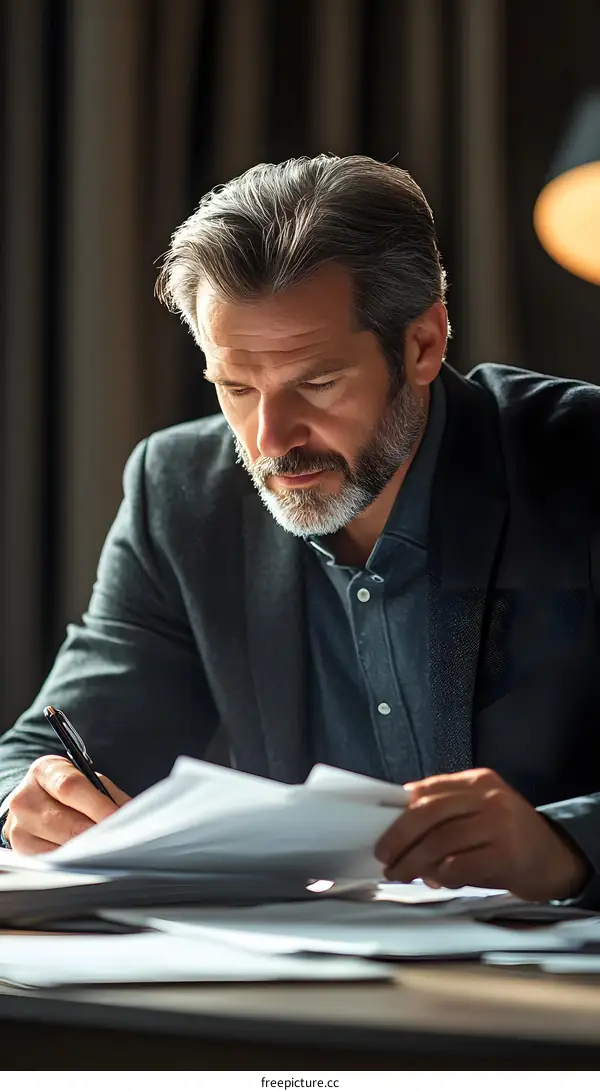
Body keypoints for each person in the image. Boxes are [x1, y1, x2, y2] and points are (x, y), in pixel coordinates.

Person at [1, 154, 599, 905]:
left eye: (315, 382)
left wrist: (567, 845)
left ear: (424, 344)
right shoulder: (183, 492)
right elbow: (39, 752)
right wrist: (28, 803)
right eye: (236, 387)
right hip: (299, 995)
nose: (270, 437)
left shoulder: (581, 455)